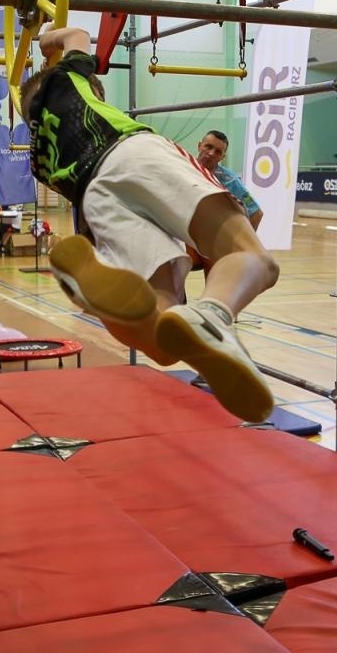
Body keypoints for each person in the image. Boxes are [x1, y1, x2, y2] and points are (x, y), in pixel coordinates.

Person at [22, 26, 279, 422]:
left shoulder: (38, 158)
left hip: (94, 195)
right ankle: (214, 314)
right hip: (131, 153)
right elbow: (77, 33)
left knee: (164, 339)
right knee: (256, 259)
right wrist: (47, 40)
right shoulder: (65, 78)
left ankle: (115, 301)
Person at [195, 131, 263, 230]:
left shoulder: (230, 181)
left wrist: (241, 243)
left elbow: (256, 214)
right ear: (199, 146)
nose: (211, 153)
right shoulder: (185, 166)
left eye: (218, 152)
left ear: (222, 157)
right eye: (208, 147)